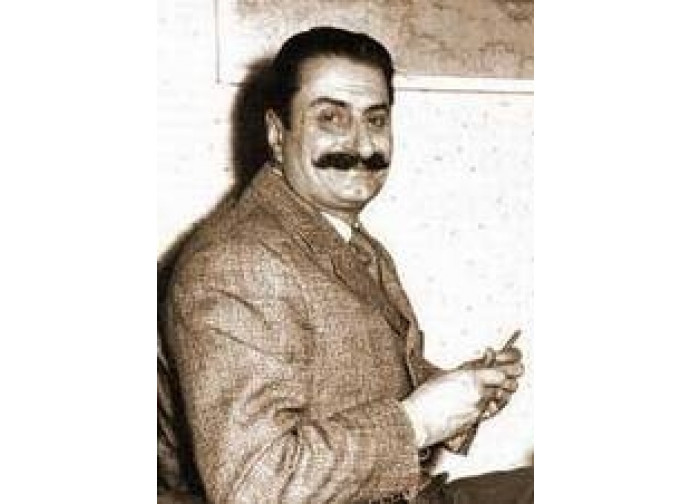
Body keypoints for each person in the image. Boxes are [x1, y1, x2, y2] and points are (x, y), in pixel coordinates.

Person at [159, 26, 532, 504]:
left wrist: (464, 391)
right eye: (331, 118)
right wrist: (418, 422)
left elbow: (350, 378)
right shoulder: (236, 263)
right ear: (277, 133)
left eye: (375, 119)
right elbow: (253, 485)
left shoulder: (338, 235)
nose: (361, 145)